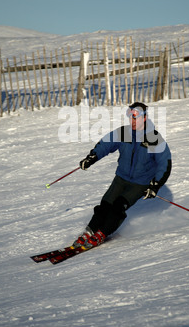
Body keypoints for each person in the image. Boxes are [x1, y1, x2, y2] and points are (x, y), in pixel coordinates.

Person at [73, 102, 172, 249]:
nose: (132, 122)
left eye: (136, 118)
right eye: (130, 118)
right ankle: (90, 231)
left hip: (140, 183)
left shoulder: (153, 138)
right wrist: (92, 157)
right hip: (121, 178)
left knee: (118, 206)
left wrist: (155, 185)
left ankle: (102, 233)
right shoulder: (124, 133)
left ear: (144, 118)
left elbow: (164, 163)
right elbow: (106, 144)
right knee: (106, 203)